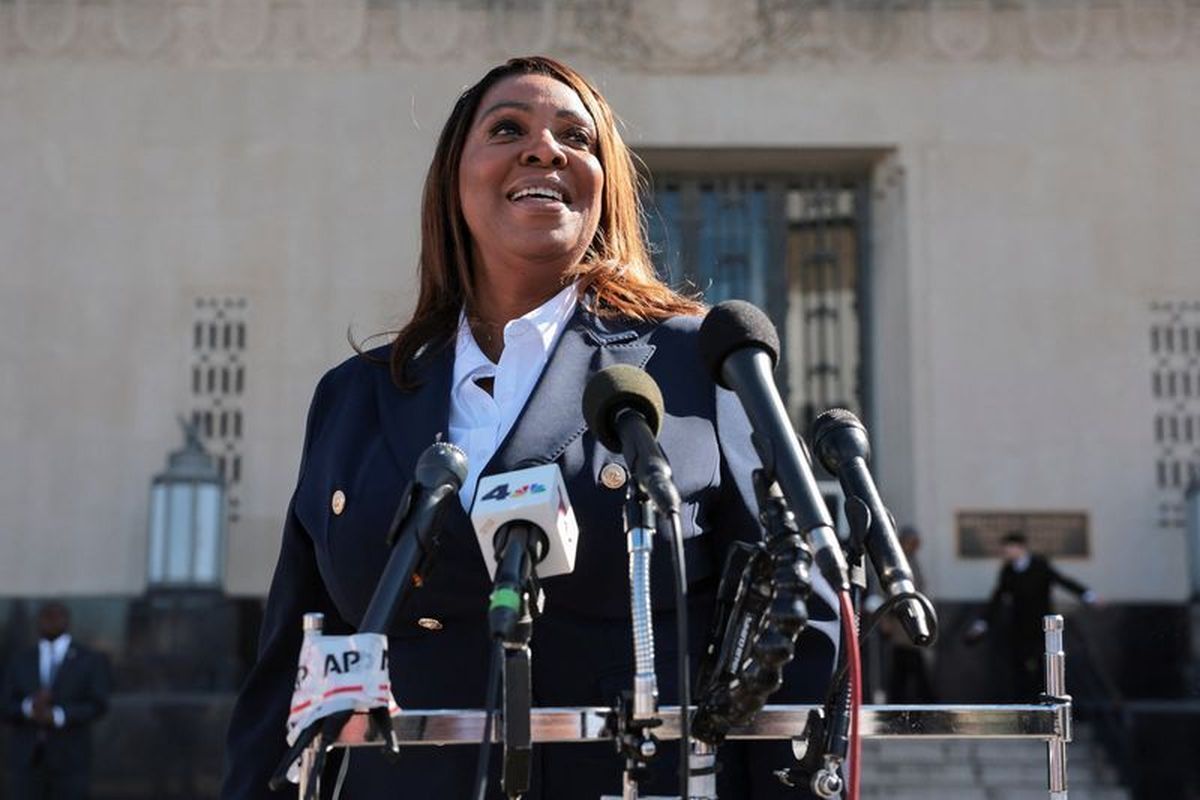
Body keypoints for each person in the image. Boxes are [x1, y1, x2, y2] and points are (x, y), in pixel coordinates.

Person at [221, 56, 841, 799]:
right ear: (455, 179)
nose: (544, 149)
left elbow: (800, 619)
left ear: (605, 182)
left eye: (576, 138)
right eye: (508, 128)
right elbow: (292, 658)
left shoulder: (697, 359)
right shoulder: (355, 395)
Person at [966, 531, 1097, 701]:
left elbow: (1062, 581)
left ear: (1020, 548)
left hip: (1042, 626)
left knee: (1044, 665)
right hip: (1019, 627)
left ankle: (1045, 701)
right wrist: (982, 623)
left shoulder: (1039, 565)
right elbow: (997, 599)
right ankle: (1023, 702)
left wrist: (1088, 595)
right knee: (1019, 666)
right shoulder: (1008, 570)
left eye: (1009, 548)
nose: (1006, 553)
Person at [1, 601, 111, 800]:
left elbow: (99, 704)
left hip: (70, 761)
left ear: (66, 620)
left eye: (56, 616)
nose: (51, 622)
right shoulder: (21, 659)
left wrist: (59, 715)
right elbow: (5, 704)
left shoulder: (89, 659)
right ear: (38, 622)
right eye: (46, 617)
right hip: (26, 762)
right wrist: (29, 708)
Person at [882, 527, 935, 704]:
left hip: (913, 623)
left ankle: (921, 699)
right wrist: (886, 621)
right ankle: (911, 700)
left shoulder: (912, 560)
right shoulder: (898, 563)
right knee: (905, 666)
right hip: (902, 625)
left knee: (910, 665)